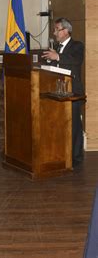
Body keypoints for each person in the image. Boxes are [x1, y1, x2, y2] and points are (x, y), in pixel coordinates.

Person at [42, 17, 85, 167]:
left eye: (57, 30)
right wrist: (49, 60)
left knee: (74, 125)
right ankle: (61, 154)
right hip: (57, 91)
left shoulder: (77, 46)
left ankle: (75, 157)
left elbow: (75, 60)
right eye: (54, 30)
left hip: (73, 92)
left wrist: (57, 56)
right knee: (59, 124)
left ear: (66, 31)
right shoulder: (57, 47)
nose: (54, 33)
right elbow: (53, 67)